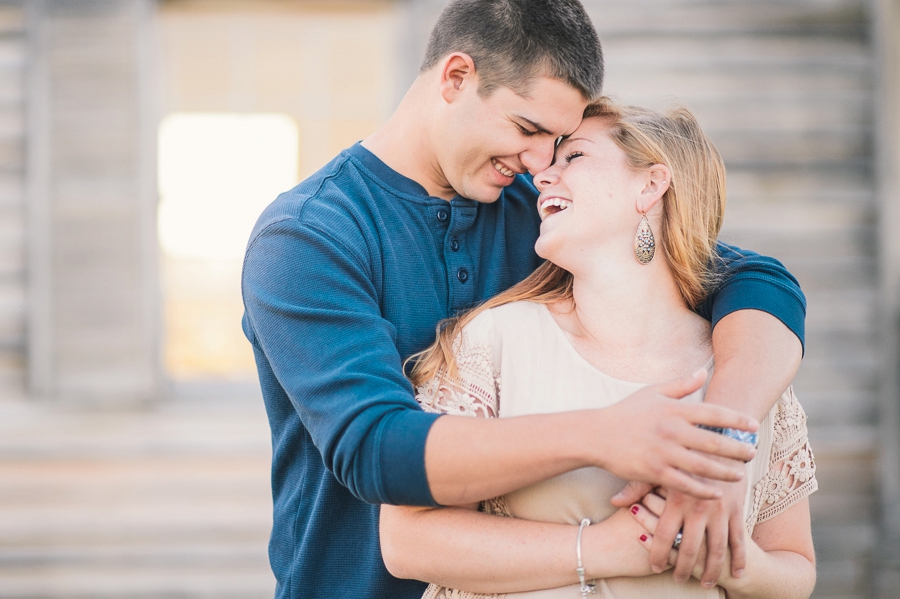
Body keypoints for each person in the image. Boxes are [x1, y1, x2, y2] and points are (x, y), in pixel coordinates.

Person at [240, 1, 806, 597]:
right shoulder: (308, 236)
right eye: (528, 130)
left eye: (561, 142)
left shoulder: (545, 218)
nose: (541, 163)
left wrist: (718, 447)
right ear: (456, 78)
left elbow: (758, 280)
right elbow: (376, 449)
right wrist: (606, 435)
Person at [380, 99, 817, 598]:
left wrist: (727, 560)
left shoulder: (749, 364)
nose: (542, 175)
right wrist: (606, 548)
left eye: (575, 157)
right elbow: (407, 542)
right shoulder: (493, 342)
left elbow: (796, 569)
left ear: (651, 185)